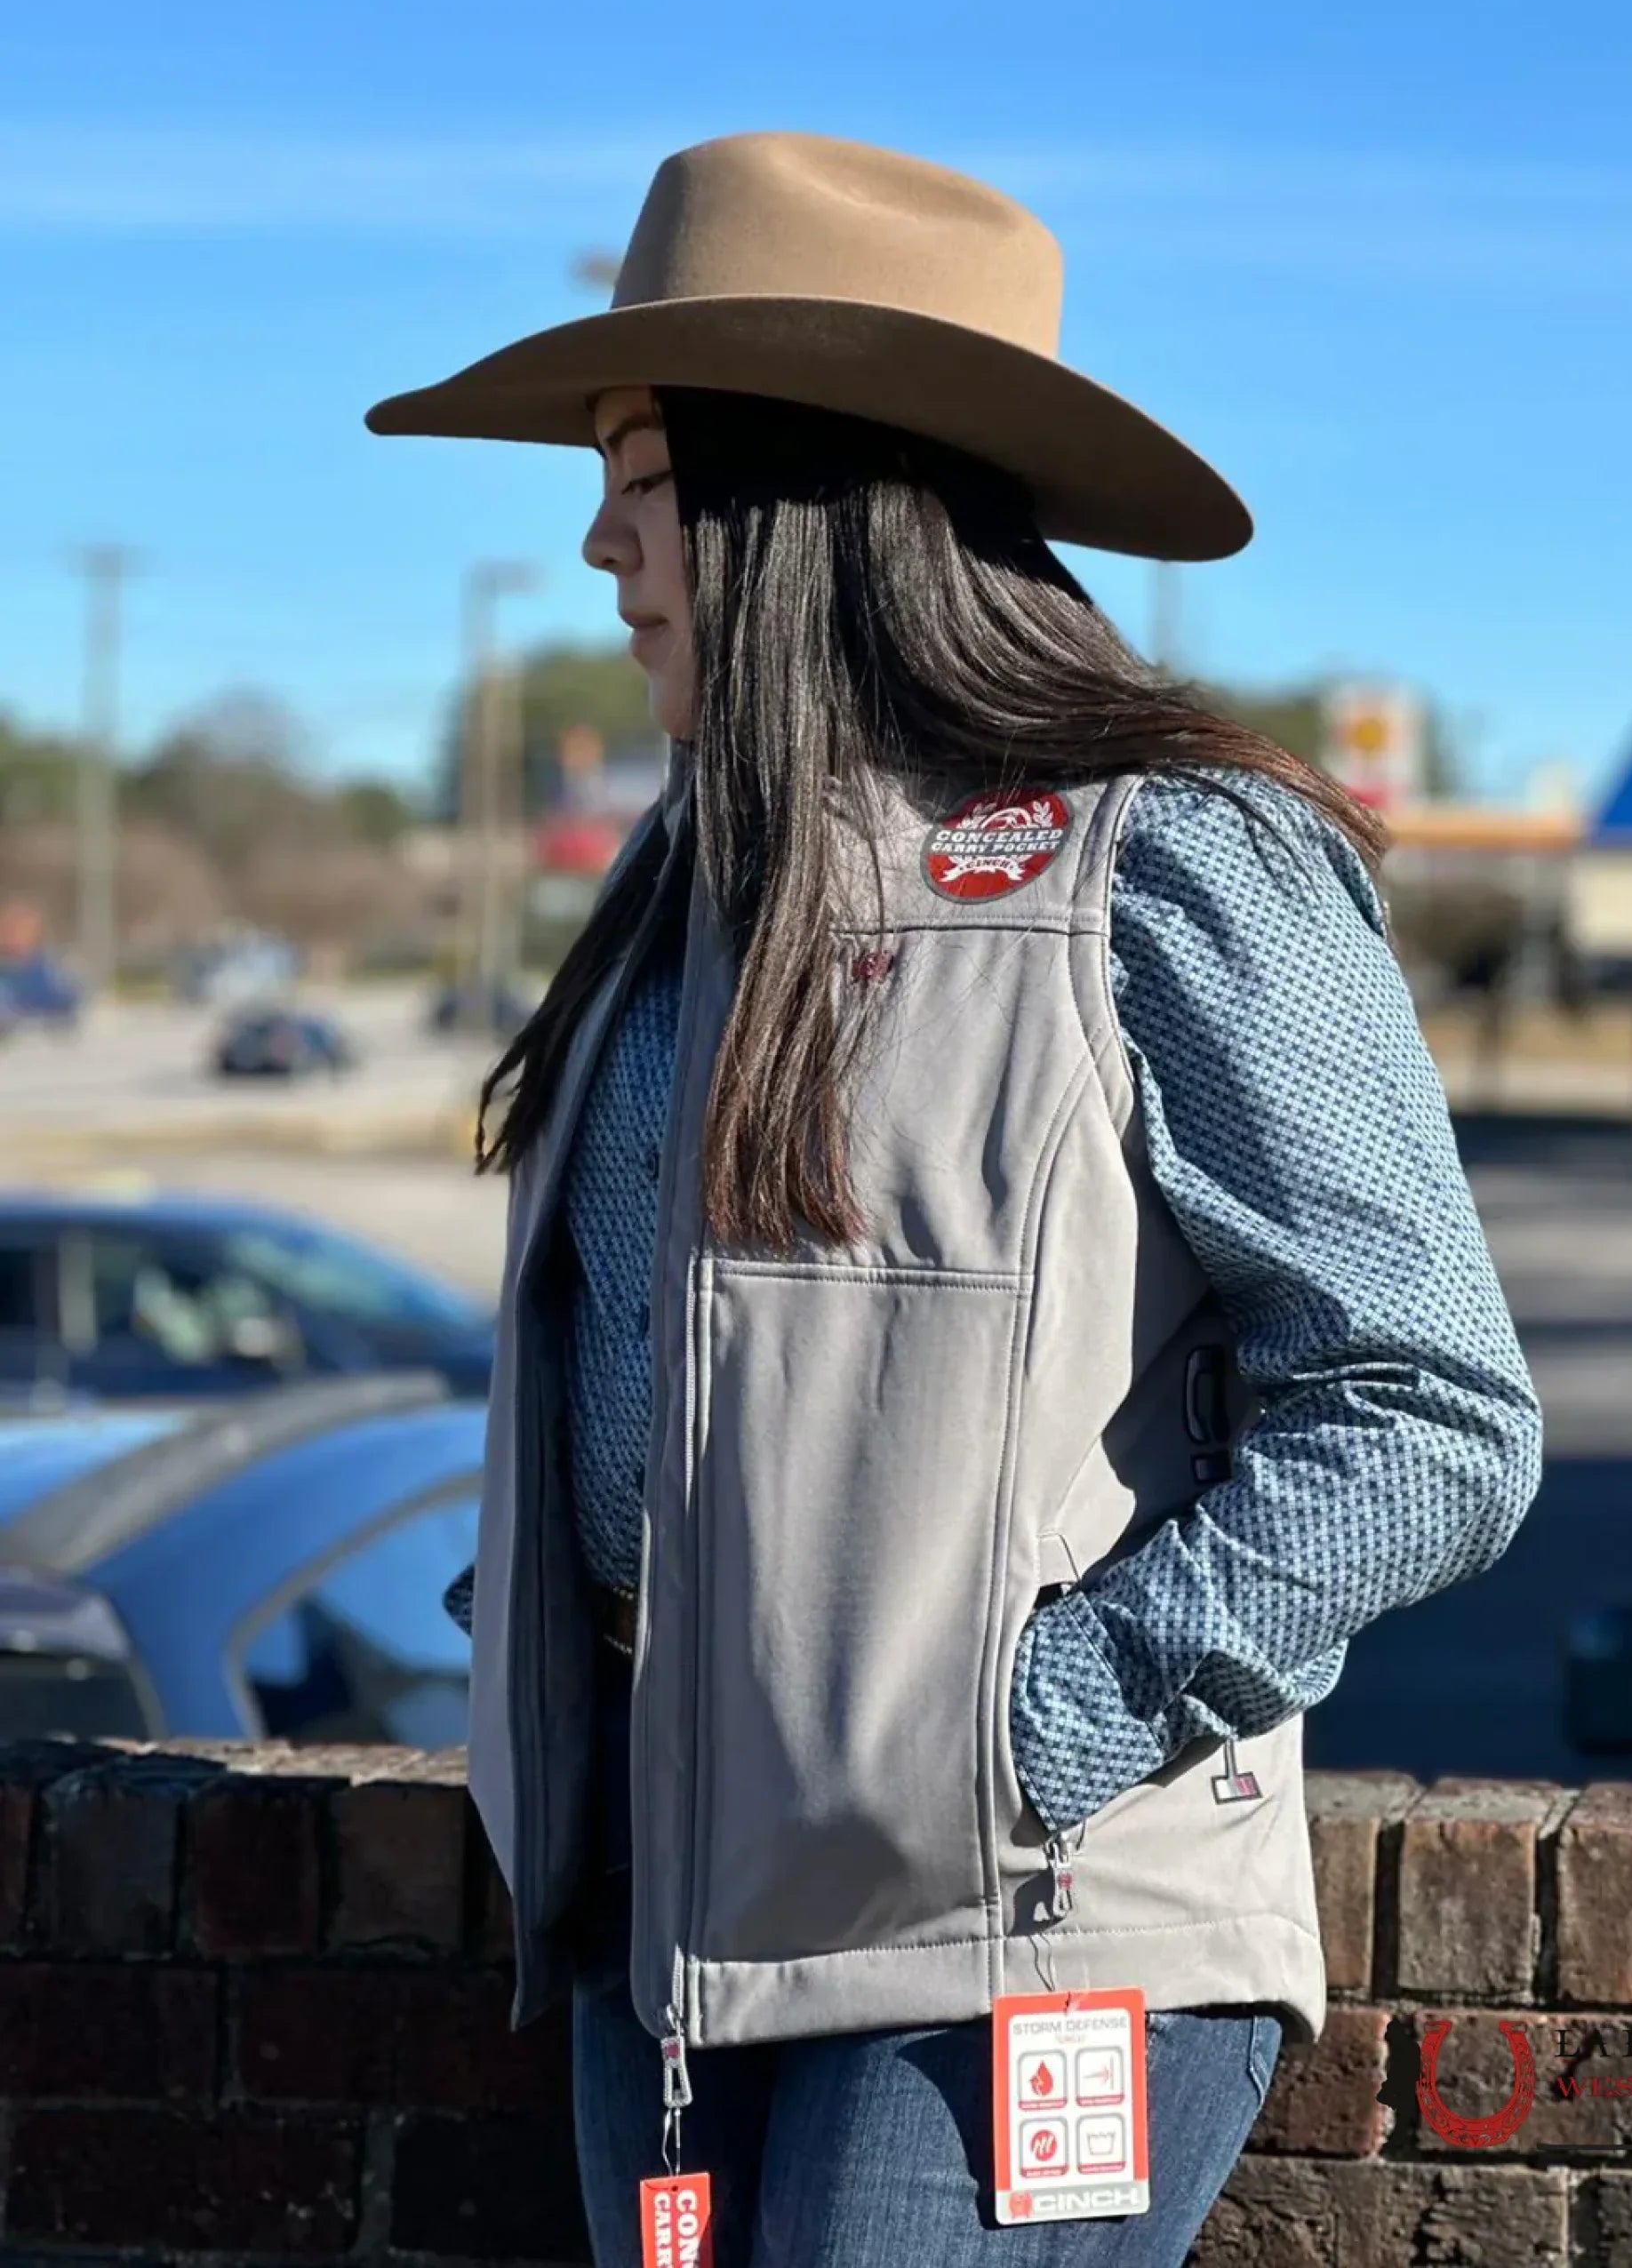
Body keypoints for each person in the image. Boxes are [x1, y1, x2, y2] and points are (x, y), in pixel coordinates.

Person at [369, 131, 1543, 2267]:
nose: (596, 544)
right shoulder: (672, 897)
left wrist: (1039, 1731)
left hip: (1014, 1930)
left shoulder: (1176, 860)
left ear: (795, 497)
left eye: (640, 474)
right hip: (663, 1924)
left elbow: (1431, 1416)